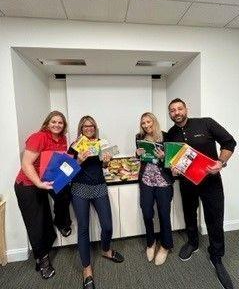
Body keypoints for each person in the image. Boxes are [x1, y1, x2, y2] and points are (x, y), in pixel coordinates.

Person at [167, 98, 236, 289]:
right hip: (187, 183)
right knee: (189, 214)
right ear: (170, 114)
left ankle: (217, 256)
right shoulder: (170, 134)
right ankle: (193, 243)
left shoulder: (206, 122)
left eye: (179, 108)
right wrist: (173, 168)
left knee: (215, 217)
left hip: (211, 181)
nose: (176, 112)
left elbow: (229, 142)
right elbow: (173, 160)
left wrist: (221, 162)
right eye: (172, 110)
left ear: (186, 109)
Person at [15, 111, 72, 279]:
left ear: (64, 125)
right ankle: (42, 261)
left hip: (47, 181)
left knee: (64, 195)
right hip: (28, 184)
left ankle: (61, 222)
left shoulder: (62, 139)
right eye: (53, 121)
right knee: (37, 223)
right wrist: (38, 184)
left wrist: (67, 174)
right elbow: (26, 164)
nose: (57, 125)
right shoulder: (39, 137)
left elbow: (59, 162)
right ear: (47, 123)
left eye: (60, 122)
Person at [69, 115, 124, 289]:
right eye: (85, 126)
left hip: (99, 186)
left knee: (107, 225)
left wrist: (106, 162)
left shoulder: (102, 143)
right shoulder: (75, 145)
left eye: (91, 126)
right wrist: (78, 160)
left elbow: (104, 167)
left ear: (95, 127)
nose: (89, 128)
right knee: (83, 228)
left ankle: (106, 249)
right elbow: (69, 169)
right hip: (79, 189)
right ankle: (87, 269)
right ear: (81, 128)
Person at [136, 112, 174, 265]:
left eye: (148, 122)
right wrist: (138, 153)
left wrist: (164, 157)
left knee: (164, 215)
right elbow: (140, 157)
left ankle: (165, 246)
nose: (146, 125)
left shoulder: (166, 136)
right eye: (143, 123)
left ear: (154, 121)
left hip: (163, 181)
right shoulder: (139, 137)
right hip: (146, 181)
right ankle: (150, 243)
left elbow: (172, 160)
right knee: (146, 213)